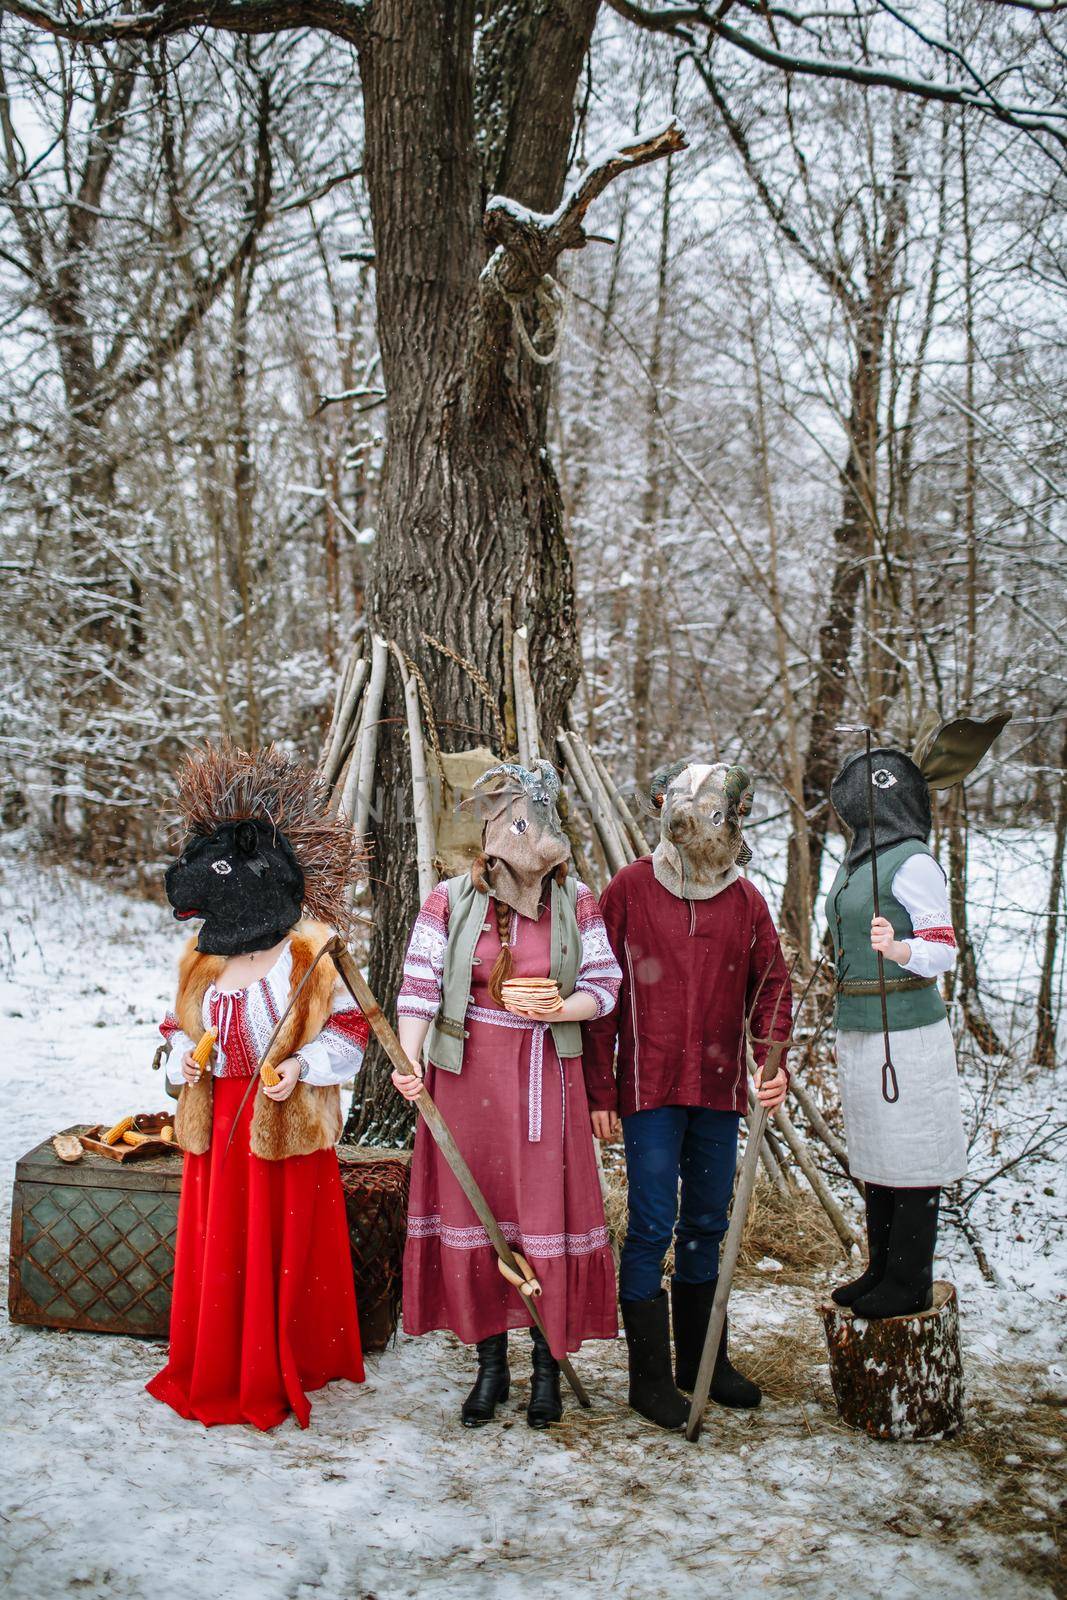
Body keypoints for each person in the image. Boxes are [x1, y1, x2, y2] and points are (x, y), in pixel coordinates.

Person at [390, 760, 622, 1429]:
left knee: (539, 1214)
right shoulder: (449, 899)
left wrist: (561, 1007)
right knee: (478, 1206)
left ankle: (546, 1366)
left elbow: (605, 985)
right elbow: (418, 989)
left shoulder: (575, 900)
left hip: (545, 1075)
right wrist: (409, 1061)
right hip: (464, 1077)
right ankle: (490, 1367)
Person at [147, 742, 369, 1430]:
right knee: (223, 1251)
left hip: (285, 1123)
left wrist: (303, 1068)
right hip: (217, 1130)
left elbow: (353, 1032)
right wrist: (186, 1056)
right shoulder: (199, 956)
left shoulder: (312, 950)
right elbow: (175, 1025)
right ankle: (221, 1359)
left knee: (281, 1250)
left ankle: (285, 1358)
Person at [583, 759, 792, 1430]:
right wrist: (600, 1090)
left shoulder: (745, 901)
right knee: (649, 1226)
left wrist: (772, 1058)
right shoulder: (630, 890)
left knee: (707, 1223)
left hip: (719, 1089)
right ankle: (648, 1378)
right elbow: (602, 995)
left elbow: (772, 988)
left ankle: (703, 1360)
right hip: (647, 1088)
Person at [826, 711, 1009, 1320]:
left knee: (911, 1154)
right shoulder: (857, 864)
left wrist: (901, 950)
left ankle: (909, 1279)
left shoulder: (915, 862)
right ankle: (880, 1268)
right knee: (877, 1154)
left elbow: (945, 948)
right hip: (860, 1027)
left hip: (905, 1031)